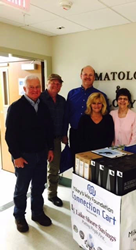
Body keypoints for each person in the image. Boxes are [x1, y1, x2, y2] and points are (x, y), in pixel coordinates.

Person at [5, 75, 54, 233]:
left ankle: (37, 213)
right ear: (24, 89)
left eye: (37, 86)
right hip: (24, 157)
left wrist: (51, 148)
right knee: (21, 189)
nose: (35, 90)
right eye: (31, 87)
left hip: (41, 154)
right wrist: (16, 156)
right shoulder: (16, 107)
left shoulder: (44, 107)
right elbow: (10, 135)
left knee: (39, 186)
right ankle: (19, 216)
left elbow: (49, 131)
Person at [62, 66, 109, 165]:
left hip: (93, 136)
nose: (87, 77)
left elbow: (105, 118)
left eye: (90, 75)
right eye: (85, 74)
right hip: (75, 134)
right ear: (81, 76)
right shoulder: (71, 93)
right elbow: (66, 114)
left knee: (93, 164)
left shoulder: (100, 95)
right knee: (76, 162)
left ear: (94, 77)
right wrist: (64, 133)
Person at [40, 74, 66, 207]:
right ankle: (37, 198)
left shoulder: (62, 101)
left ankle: (52, 194)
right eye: (53, 83)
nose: (56, 86)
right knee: (38, 169)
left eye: (58, 84)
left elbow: (64, 119)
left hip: (55, 140)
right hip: (39, 140)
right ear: (47, 84)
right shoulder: (39, 99)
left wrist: (64, 134)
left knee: (54, 169)